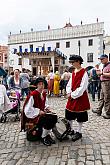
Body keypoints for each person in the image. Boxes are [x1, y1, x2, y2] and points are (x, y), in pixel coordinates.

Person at [21, 77, 57, 146]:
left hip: (41, 114)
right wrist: (38, 111)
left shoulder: (43, 93)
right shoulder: (33, 94)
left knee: (54, 117)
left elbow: (45, 103)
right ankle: (43, 137)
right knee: (48, 119)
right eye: (39, 84)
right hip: (33, 116)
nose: (41, 86)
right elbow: (27, 110)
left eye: (42, 84)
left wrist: (46, 108)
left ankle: (46, 134)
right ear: (37, 85)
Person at [65, 55, 90, 141]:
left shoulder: (84, 73)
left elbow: (83, 87)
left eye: (73, 62)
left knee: (80, 115)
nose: (72, 64)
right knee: (69, 114)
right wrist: (68, 92)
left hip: (80, 97)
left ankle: (79, 132)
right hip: (72, 96)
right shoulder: (74, 71)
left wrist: (72, 94)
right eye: (71, 62)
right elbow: (69, 83)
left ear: (78, 61)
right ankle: (71, 129)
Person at [92, 54, 110, 119]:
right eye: (100, 59)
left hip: (107, 83)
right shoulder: (105, 66)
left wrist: (102, 73)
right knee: (102, 98)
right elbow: (99, 75)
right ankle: (99, 110)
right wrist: (97, 69)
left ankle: (108, 113)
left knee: (107, 98)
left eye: (102, 59)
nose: (101, 60)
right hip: (103, 82)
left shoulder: (109, 65)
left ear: (106, 58)